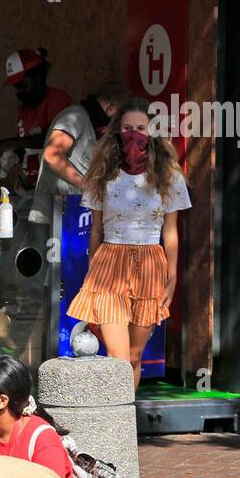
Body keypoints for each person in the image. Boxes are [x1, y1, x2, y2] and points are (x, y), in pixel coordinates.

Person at [66, 97, 191, 391]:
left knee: (134, 357)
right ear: (116, 131)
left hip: (150, 263)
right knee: (118, 358)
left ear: (153, 133)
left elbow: (171, 232)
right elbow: (96, 229)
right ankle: (113, 425)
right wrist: (93, 273)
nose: (134, 135)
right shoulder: (103, 173)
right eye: (127, 128)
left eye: (141, 128)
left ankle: (124, 421)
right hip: (110, 262)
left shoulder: (169, 176)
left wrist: (172, 278)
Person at [28, 79, 131, 228]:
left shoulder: (90, 125)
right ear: (111, 108)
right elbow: (52, 155)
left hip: (69, 218)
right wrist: (88, 186)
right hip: (50, 220)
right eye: (119, 118)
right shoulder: (75, 117)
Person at [0, 48, 72, 194]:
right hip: (30, 190)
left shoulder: (57, 100)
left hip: (56, 192)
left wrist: (10, 143)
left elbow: (53, 140)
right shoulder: (24, 109)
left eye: (22, 86)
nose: (19, 92)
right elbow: (25, 145)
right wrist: (9, 159)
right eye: (16, 88)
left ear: (38, 77)